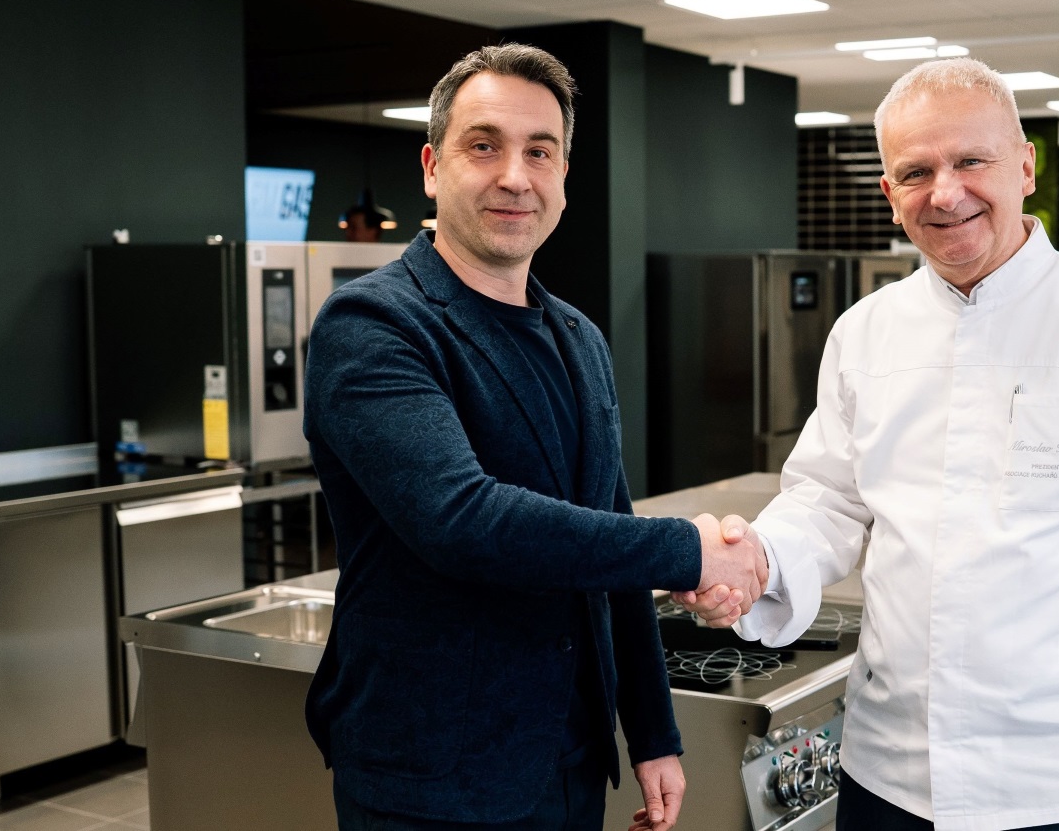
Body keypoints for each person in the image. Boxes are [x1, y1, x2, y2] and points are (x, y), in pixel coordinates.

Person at [677, 57, 1059, 831]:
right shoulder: (865, 332)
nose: (945, 194)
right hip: (888, 773)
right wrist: (757, 563)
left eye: (971, 161)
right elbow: (826, 501)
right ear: (890, 194)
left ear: (1025, 166)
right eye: (916, 172)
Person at [303, 43, 766, 831]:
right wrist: (688, 551)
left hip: (569, 761)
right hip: (431, 776)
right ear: (432, 167)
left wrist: (652, 729)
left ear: (563, 176)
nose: (515, 176)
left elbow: (608, 526)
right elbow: (463, 520)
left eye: (539, 152)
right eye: (484, 146)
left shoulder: (578, 336)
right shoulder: (374, 324)